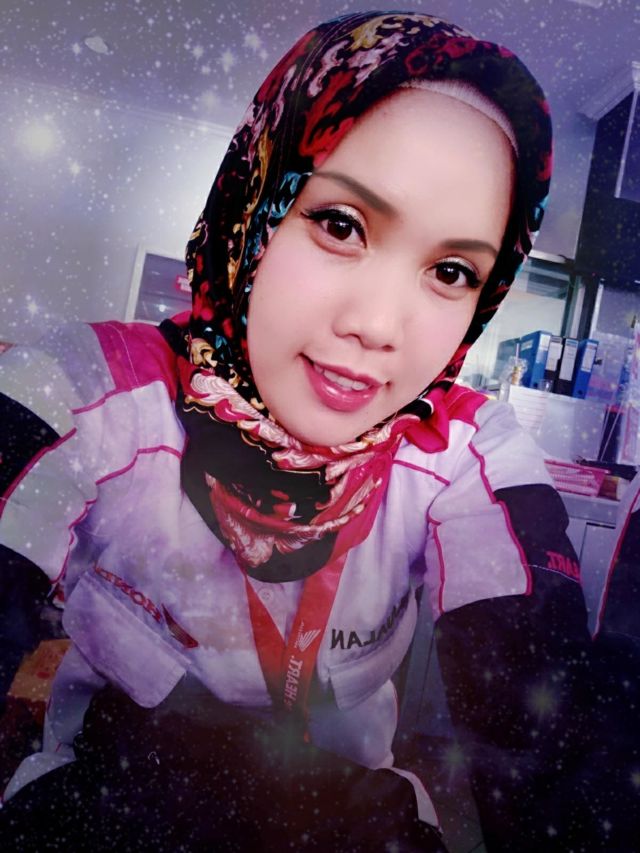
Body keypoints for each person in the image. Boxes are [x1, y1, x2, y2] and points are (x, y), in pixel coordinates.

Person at [0, 10, 635, 851]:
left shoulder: (464, 451)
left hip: (346, 821)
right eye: (340, 224)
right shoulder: (88, 391)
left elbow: (545, 732)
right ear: (253, 208)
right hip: (100, 805)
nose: (378, 325)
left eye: (451, 271)